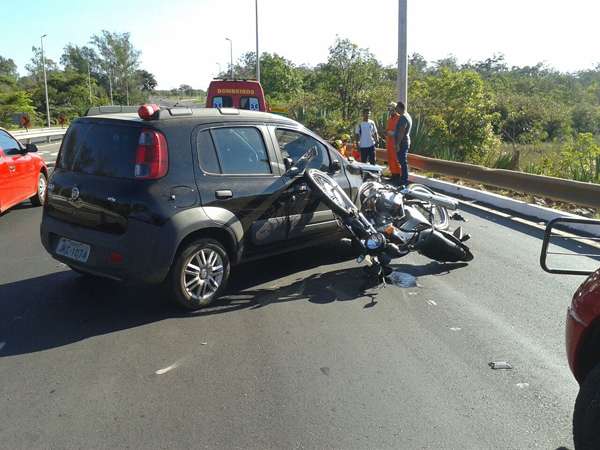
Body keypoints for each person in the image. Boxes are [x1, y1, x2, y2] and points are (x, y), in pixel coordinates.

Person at [394, 101, 412, 187]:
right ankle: (403, 178)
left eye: (396, 108)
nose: (395, 109)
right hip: (405, 142)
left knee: (402, 161)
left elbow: (401, 132)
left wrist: (397, 144)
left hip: (402, 143)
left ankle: (404, 180)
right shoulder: (407, 116)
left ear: (400, 108)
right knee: (402, 161)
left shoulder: (403, 117)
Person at [385, 102, 402, 185]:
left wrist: (392, 133)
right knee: (391, 160)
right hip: (389, 143)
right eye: (389, 110)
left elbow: (400, 131)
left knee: (396, 160)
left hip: (396, 144)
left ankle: (399, 177)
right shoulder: (389, 119)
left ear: (395, 109)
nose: (390, 111)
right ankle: (393, 176)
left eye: (391, 109)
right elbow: (388, 130)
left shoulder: (399, 118)